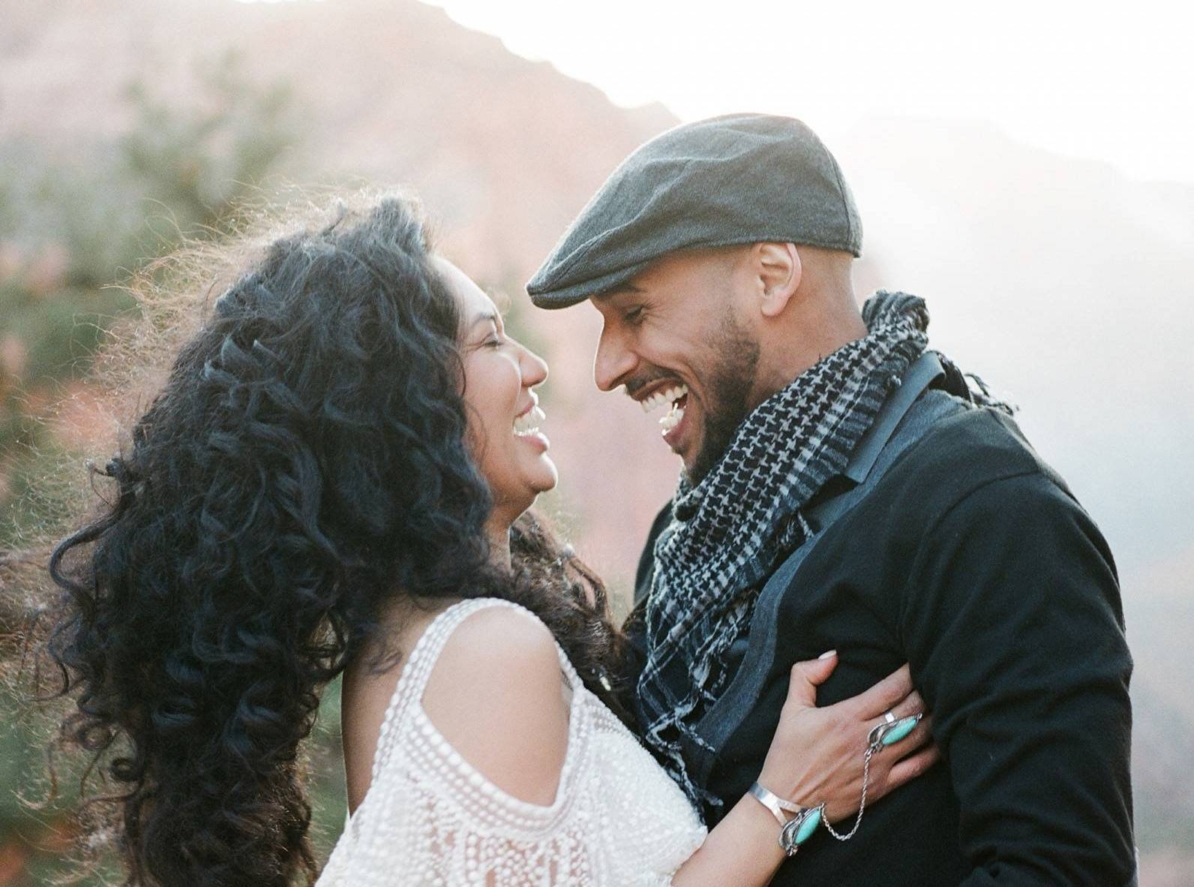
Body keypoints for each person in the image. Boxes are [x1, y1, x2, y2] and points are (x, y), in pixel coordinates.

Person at [39, 193, 938, 887]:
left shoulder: (410, 643)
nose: (537, 367)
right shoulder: (480, 652)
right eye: (493, 339)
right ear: (404, 408)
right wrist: (781, 803)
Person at [527, 114, 1137, 886]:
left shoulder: (982, 507)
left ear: (773, 276)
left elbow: (1062, 871)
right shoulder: (689, 536)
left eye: (636, 313)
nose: (609, 366)